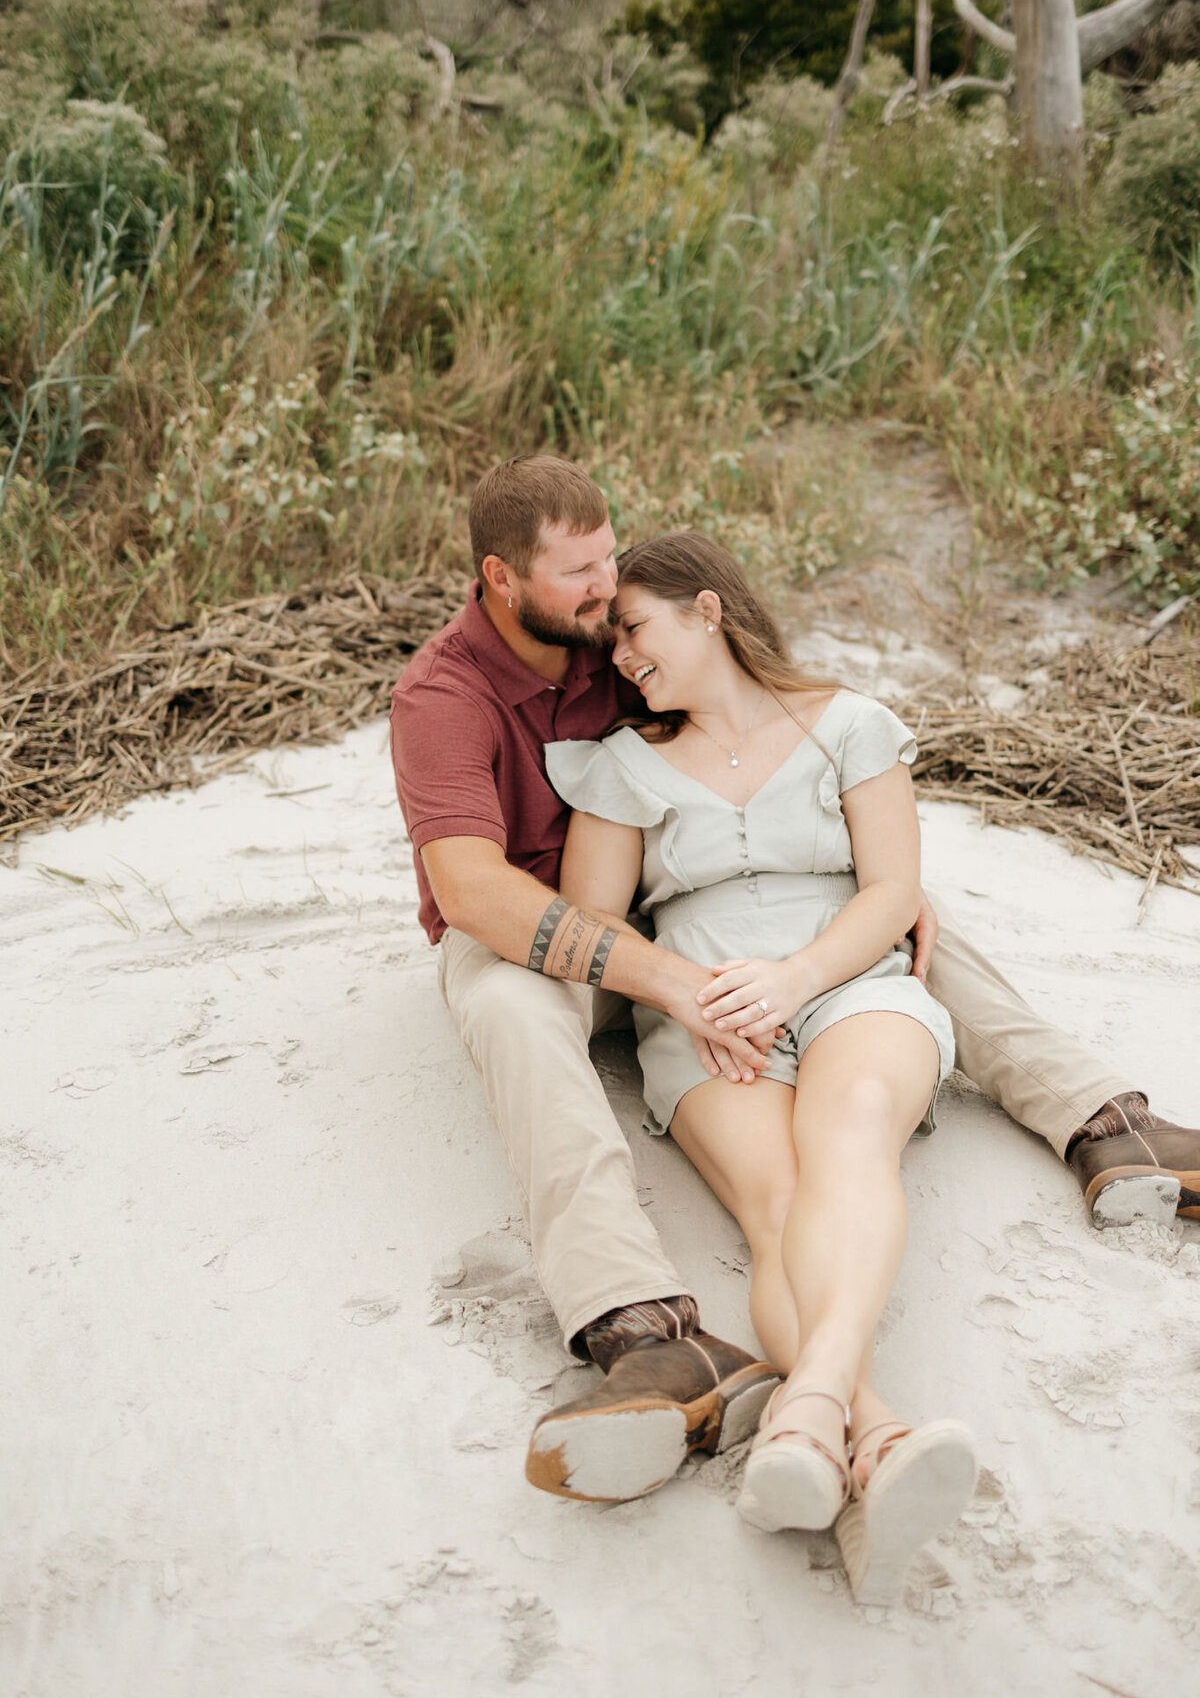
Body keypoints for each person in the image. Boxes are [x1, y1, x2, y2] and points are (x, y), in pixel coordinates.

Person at [389, 454, 1200, 1517]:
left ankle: (1101, 1121)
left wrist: (864, 900)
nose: (609, 597)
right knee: (515, 1010)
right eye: (583, 576)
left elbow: (754, 724)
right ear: (501, 579)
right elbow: (477, 893)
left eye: (613, 569)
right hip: (540, 932)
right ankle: (641, 1327)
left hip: (691, 919)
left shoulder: (617, 640)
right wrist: (673, 980)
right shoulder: (443, 694)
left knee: (897, 919)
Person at [546, 532, 977, 1600]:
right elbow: (600, 923)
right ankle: (871, 1438)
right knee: (776, 1205)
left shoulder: (848, 727)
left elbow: (889, 891)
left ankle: (814, 1404)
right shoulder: (621, 767)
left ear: (706, 610)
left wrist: (793, 979)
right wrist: (685, 997)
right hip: (703, 1017)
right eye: (611, 650)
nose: (623, 661)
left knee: (855, 1131)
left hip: (846, 981)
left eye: (635, 629)